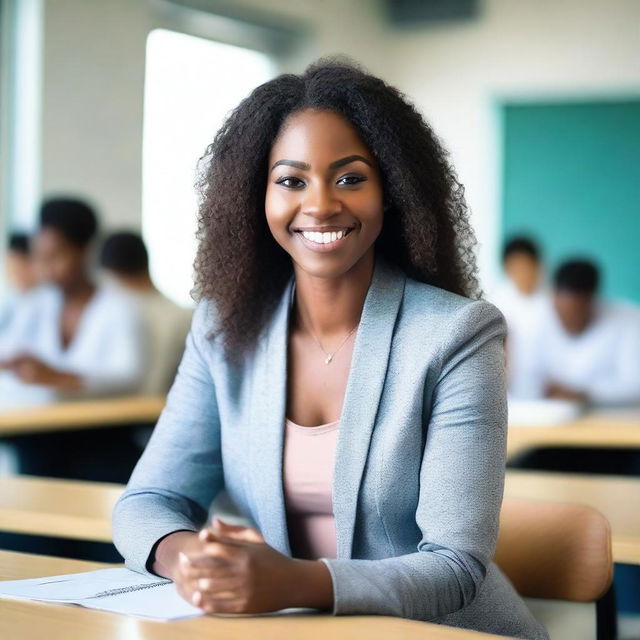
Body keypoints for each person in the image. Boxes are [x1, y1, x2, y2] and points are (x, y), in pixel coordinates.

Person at [113, 60, 547, 640]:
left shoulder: (456, 334)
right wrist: (191, 559)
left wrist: (290, 582)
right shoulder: (223, 330)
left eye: (349, 178)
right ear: (257, 196)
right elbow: (149, 500)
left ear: (391, 190)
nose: (319, 205)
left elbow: (454, 566)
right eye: (291, 180)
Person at [0, 198, 145, 404]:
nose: (46, 269)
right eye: (40, 258)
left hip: (102, 428)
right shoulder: (38, 304)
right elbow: (10, 346)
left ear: (85, 251)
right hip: (40, 424)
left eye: (56, 257)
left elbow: (131, 379)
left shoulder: (121, 308)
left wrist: (59, 377)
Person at [523, 258, 640, 405]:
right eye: (562, 313)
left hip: (612, 421)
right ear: (553, 299)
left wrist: (584, 394)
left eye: (576, 313)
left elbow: (635, 387)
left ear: (593, 302)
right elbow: (524, 379)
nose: (568, 321)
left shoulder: (630, 321)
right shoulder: (535, 320)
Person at [100, 231, 192, 395]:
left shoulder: (113, 311)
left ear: (110, 273)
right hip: (161, 409)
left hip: (125, 411)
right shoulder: (183, 315)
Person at [491, 236, 549, 399]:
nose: (522, 273)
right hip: (511, 389)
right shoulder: (497, 302)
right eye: (515, 268)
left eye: (527, 266)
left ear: (537, 265)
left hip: (547, 388)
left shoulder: (553, 301)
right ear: (506, 269)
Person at [0, 233, 38, 332]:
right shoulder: (11, 297)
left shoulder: (47, 299)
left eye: (16, 264)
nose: (11, 270)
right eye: (9, 264)